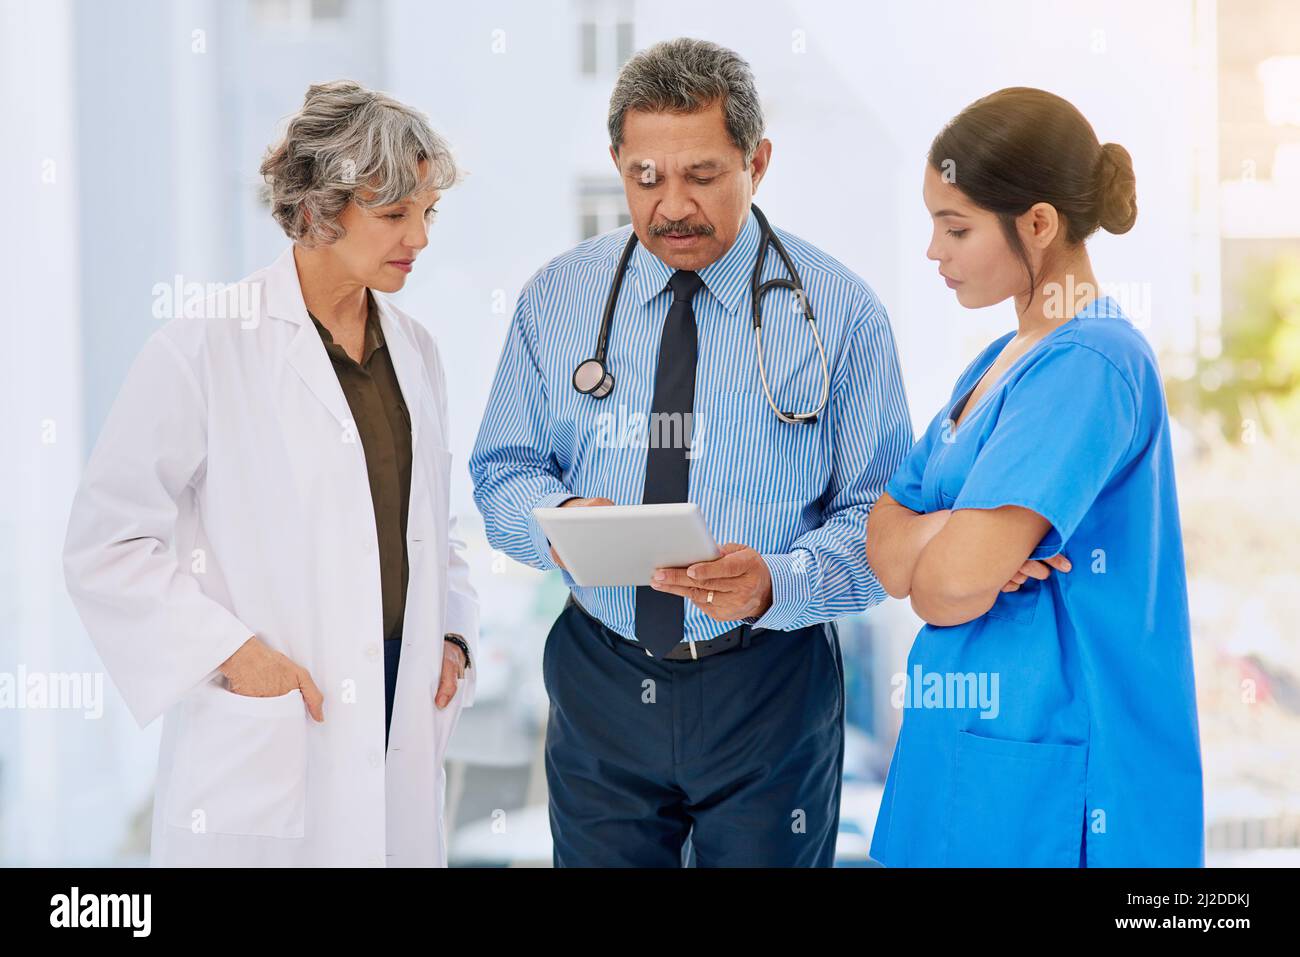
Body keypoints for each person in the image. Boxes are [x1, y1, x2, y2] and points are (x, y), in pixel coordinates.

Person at [469, 38, 913, 867]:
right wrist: (561, 521)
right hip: (602, 676)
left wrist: (782, 579)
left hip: (769, 685)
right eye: (646, 177)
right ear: (616, 162)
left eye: (703, 175)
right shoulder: (555, 301)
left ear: (758, 162)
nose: (672, 205)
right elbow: (502, 470)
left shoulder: (842, 314)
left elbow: (882, 519)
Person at [62, 80, 478, 867]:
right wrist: (231, 652)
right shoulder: (207, 346)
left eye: (428, 212)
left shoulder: (417, 350)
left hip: (400, 705)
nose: (419, 237)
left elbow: (430, 525)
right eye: (395, 214)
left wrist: (452, 634)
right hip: (278, 723)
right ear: (321, 209)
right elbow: (106, 542)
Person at [866, 87, 1204, 867]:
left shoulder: (1089, 363)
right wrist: (961, 538)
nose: (933, 252)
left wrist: (945, 548)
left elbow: (942, 586)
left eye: (956, 227)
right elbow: (884, 549)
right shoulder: (994, 365)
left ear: (1040, 223)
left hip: (1050, 775)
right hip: (967, 758)